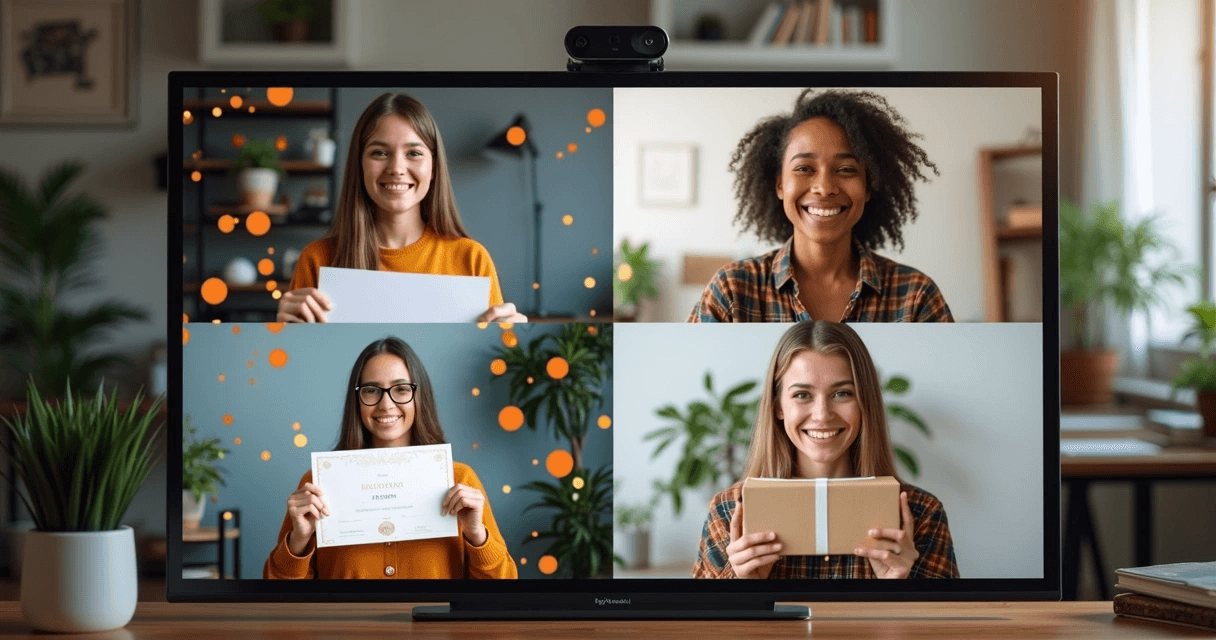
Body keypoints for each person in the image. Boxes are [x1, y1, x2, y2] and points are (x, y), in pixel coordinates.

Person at [692, 321, 958, 579]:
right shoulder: (729, 513)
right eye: (802, 395)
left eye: (842, 393)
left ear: (865, 403)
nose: (822, 415)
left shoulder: (921, 514)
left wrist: (897, 588)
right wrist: (744, 588)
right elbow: (697, 624)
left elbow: (946, 624)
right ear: (778, 406)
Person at [688, 89, 952, 323]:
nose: (824, 188)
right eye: (804, 168)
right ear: (780, 184)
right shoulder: (732, 291)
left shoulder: (916, 297)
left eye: (846, 169)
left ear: (869, 186)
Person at [264, 337, 518, 579]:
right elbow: (277, 599)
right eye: (372, 390)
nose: (386, 405)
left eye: (400, 389)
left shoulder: (460, 480)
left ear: (419, 396)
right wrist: (298, 541)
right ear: (357, 399)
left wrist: (476, 535)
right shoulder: (318, 485)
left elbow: (503, 591)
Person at [277, 92, 526, 324]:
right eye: (379, 152)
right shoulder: (317, 260)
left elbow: (490, 365)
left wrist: (513, 342)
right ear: (359, 165)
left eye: (414, 153)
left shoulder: (471, 259)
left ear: (434, 168)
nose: (396, 168)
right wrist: (282, 335)